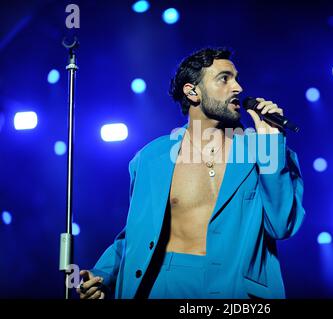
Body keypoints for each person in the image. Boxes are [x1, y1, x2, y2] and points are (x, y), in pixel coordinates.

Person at [77, 47, 305, 299]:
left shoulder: (261, 150)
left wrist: (271, 145)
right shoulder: (152, 157)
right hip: (164, 284)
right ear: (192, 91)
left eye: (237, 78)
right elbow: (136, 234)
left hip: (234, 288)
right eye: (224, 78)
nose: (238, 87)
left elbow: (282, 226)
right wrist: (102, 274)